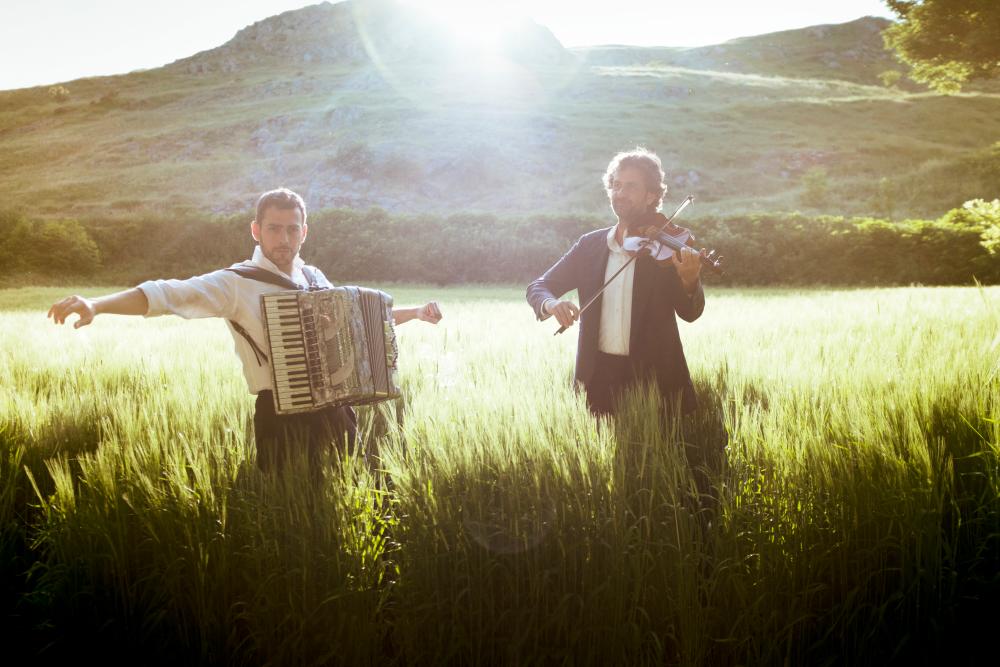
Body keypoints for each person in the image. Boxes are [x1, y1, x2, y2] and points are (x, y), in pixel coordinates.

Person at [48, 187, 442, 473]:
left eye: (292, 229)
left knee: (342, 502)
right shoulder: (235, 282)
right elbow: (169, 294)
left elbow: (361, 322)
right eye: (274, 229)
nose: (283, 238)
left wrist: (416, 313)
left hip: (338, 413)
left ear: (304, 232)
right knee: (286, 519)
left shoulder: (316, 277)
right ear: (256, 230)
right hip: (279, 415)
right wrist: (98, 305)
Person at [526, 148, 705, 416]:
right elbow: (538, 287)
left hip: (655, 383)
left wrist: (690, 282)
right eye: (616, 185)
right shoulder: (589, 245)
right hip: (598, 379)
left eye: (631, 187)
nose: (620, 193)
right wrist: (551, 305)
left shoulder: (665, 249)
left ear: (652, 195)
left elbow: (689, 313)